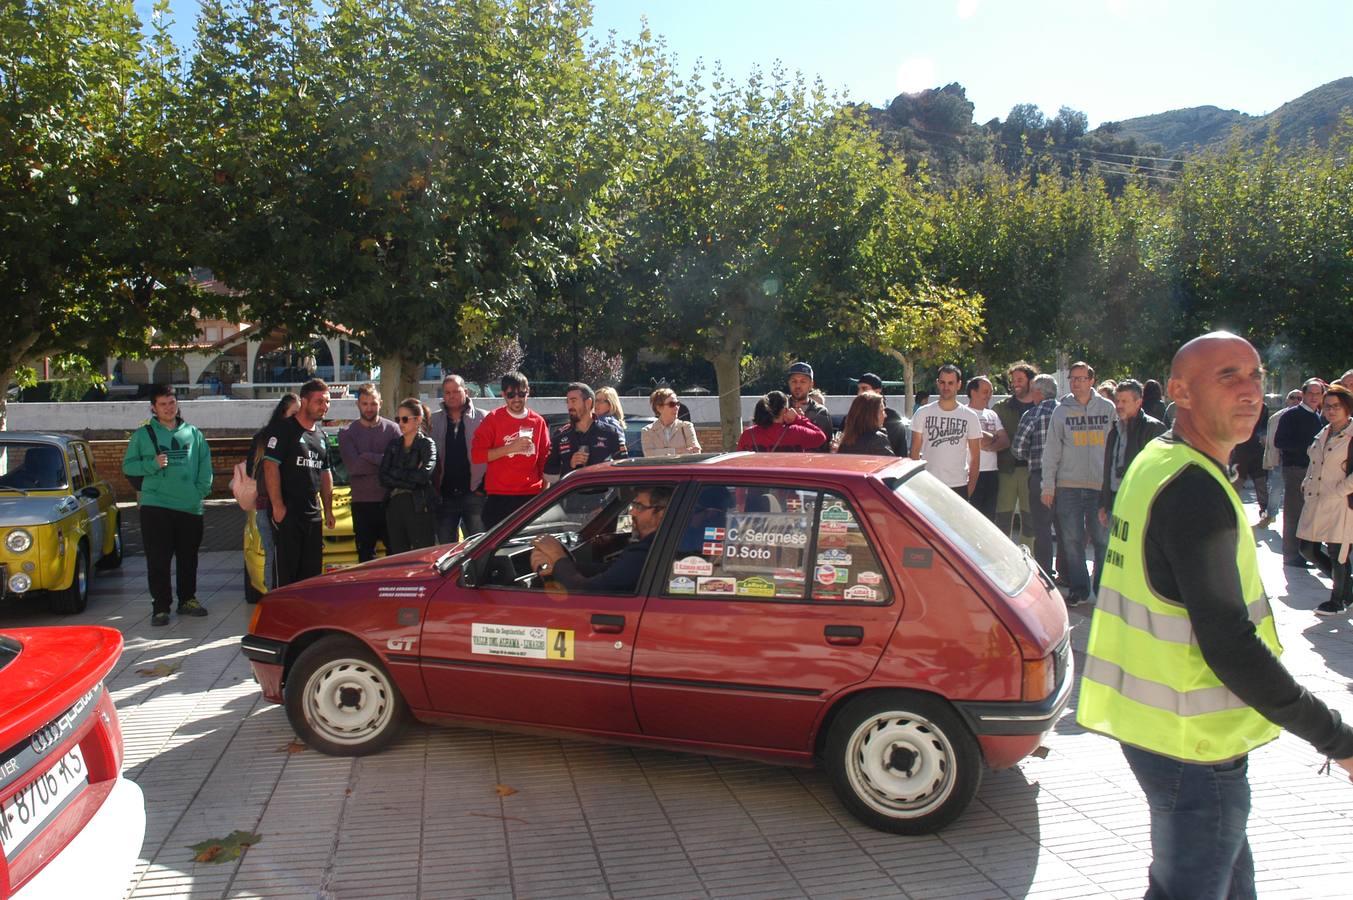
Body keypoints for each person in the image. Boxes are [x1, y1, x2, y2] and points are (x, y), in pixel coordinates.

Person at [1077, 331, 1353, 900]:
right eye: (1228, 376)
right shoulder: (1193, 488)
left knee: (1226, 882)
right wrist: (1336, 738)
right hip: (1195, 747)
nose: (1251, 390)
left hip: (1160, 733)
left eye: (1255, 375)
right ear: (1179, 391)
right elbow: (1230, 646)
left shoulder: (1158, 458)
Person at [121, 384, 213, 626]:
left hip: (190, 506)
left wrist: (199, 492)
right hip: (156, 505)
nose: (169, 408)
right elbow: (128, 467)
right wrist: (151, 464)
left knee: (188, 557)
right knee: (158, 559)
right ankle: (160, 607)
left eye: (172, 403)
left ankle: (187, 600)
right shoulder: (143, 435)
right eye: (163, 404)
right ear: (154, 408)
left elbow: (205, 466)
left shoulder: (194, 433)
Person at [1041, 361, 1114, 606]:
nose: (1077, 383)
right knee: (1071, 540)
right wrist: (1048, 485)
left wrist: (1115, 484)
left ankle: (1102, 589)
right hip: (1068, 485)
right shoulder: (1061, 411)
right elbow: (1051, 450)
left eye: (1082, 378)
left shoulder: (1107, 408)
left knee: (1103, 540)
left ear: (1092, 380)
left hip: (1100, 487)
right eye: (1073, 378)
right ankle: (1079, 588)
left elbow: (1116, 447)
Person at [262, 378, 336, 587]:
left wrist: (327, 510)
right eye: (319, 401)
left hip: (312, 515)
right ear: (304, 401)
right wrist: (277, 506)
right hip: (288, 513)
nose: (325, 407)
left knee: (311, 575)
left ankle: (305, 617)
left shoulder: (321, 436)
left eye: (328, 402)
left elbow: (325, 474)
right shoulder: (283, 430)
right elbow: (270, 466)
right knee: (286, 574)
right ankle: (283, 616)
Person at [529, 486, 671, 593]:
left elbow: (584, 592)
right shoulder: (661, 545)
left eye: (639, 506)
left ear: (661, 513)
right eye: (633, 505)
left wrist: (557, 555)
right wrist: (558, 566)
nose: (632, 512)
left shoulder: (646, 551)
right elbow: (609, 570)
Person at [1297, 384, 1353, 615]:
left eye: (1336, 406)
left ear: (1347, 408)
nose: (1331, 410)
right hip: (1316, 500)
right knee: (1306, 548)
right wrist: (1306, 482)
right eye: (1327, 406)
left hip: (1341, 503)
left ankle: (1337, 600)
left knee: (1337, 553)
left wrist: (1340, 490)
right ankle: (1348, 590)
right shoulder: (1323, 432)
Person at [470, 371, 550, 529]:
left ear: (528, 392)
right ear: (503, 395)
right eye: (511, 394)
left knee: (527, 548)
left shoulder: (538, 421)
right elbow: (477, 455)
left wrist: (544, 491)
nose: (517, 399)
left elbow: (544, 458)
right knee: (497, 550)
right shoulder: (493, 419)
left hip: (530, 495)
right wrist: (510, 448)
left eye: (521, 393)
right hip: (500, 495)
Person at [337, 384, 399, 562]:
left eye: (373, 403)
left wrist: (366, 456)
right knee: (365, 556)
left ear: (380, 403)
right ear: (358, 404)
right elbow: (354, 468)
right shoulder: (347, 433)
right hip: (362, 503)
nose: (369, 408)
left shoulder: (393, 430)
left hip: (390, 501)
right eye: (365, 403)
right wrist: (383, 460)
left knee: (395, 555)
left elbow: (396, 464)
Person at [246, 393, 298, 593]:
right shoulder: (272, 438)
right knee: (275, 556)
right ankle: (275, 601)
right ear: (283, 413)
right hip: (271, 506)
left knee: (275, 556)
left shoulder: (263, 437)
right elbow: (256, 470)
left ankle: (276, 600)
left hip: (274, 505)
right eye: (294, 413)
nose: (298, 417)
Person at [1098, 379, 1166, 527]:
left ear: (1138, 402)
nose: (1119, 405)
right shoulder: (1115, 430)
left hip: (1140, 503)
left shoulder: (1153, 429)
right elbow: (1108, 468)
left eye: (1124, 401)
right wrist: (1104, 502)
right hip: (1116, 500)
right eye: (1117, 401)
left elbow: (1159, 471)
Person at [1274, 378, 1327, 566]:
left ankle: (1307, 553)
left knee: (1311, 514)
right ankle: (1291, 554)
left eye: (1317, 393)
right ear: (1303, 395)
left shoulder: (1318, 416)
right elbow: (1279, 442)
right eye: (1310, 393)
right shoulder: (1291, 415)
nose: (1314, 397)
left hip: (1314, 472)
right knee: (1294, 513)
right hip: (1296, 469)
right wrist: (1308, 448)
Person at [1012, 374, 1060, 579]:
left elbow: (1018, 448)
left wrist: (1031, 455)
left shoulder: (1032, 414)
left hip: (1039, 475)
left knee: (1042, 528)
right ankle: (1067, 573)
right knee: (1065, 527)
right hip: (1066, 476)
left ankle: (1045, 571)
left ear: (1039, 392)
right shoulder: (1065, 411)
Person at [429, 374, 486, 543]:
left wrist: (483, 487)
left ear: (466, 392)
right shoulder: (434, 421)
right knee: (445, 551)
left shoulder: (484, 418)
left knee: (479, 548)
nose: (451, 396)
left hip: (475, 494)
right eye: (447, 392)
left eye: (455, 391)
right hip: (444, 497)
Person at [909, 365, 981, 499]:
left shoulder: (970, 416)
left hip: (958, 485)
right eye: (942, 382)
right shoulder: (923, 413)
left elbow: (975, 458)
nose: (946, 387)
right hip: (928, 484)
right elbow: (914, 453)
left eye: (950, 383)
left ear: (959, 385)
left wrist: (969, 490)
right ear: (937, 383)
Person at [379, 398, 438, 553]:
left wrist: (396, 474)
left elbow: (424, 476)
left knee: (422, 554)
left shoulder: (427, 444)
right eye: (398, 419)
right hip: (394, 504)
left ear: (418, 420)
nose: (400, 423)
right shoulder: (394, 445)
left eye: (405, 419)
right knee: (398, 555)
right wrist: (411, 479)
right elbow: (383, 476)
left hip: (418, 505)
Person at [993, 362, 1039, 549]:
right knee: (1003, 518)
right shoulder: (1001, 408)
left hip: (1032, 471)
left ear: (1031, 381)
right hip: (1006, 470)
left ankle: (1029, 558)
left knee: (1030, 520)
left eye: (1020, 379)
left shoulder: (1041, 407)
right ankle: (1002, 556)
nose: (1015, 384)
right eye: (1013, 380)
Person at [544, 382, 627, 483]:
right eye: (568, 402)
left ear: (588, 403)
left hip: (602, 496)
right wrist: (569, 466)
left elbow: (624, 470)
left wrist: (603, 469)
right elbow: (549, 475)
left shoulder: (610, 432)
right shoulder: (560, 435)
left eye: (573, 401)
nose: (569, 406)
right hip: (571, 496)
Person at [1260, 389, 1305, 528]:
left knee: (1300, 492)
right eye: (1293, 397)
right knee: (1276, 489)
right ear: (1287, 400)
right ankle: (1271, 515)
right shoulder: (1276, 418)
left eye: (1299, 398)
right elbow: (1270, 441)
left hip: (1301, 461)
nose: (1296, 400)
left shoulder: (1307, 416)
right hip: (1281, 460)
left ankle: (1302, 521)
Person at [965, 376, 1006, 520]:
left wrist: (989, 444)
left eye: (990, 392)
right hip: (972, 473)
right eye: (985, 391)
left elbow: (1005, 440)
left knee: (989, 518)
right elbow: (980, 439)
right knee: (971, 517)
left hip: (992, 473)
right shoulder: (964, 414)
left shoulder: (992, 414)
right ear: (973, 392)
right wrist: (993, 438)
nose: (989, 395)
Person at [1230, 391, 1271, 530]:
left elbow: (1263, 428)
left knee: (1261, 484)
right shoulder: (1236, 407)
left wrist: (1264, 440)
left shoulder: (1263, 407)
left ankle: (1264, 512)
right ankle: (1230, 513)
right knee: (1236, 483)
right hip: (1240, 451)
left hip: (1257, 451)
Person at [736, 390, 827, 452]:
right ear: (784, 410)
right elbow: (821, 437)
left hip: (758, 479)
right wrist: (798, 418)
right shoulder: (796, 432)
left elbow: (738, 461)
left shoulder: (748, 435)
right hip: (787, 479)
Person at [856, 373, 910, 455]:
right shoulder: (852, 417)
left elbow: (899, 451)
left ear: (877, 391)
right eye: (858, 389)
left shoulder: (893, 418)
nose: (859, 393)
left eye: (864, 388)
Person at [785, 362, 832, 450]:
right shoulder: (780, 408)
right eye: (794, 381)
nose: (798, 385)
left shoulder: (820, 412)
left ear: (811, 384)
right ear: (789, 383)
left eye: (803, 381)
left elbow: (825, 446)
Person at [641, 387, 700, 456]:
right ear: (659, 408)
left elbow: (696, 452)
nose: (676, 407)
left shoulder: (686, 426)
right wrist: (677, 451)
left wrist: (660, 452)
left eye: (678, 403)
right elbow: (649, 454)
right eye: (672, 404)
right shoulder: (647, 430)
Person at [836, 391, 893, 455]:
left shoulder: (846, 441)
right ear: (871, 415)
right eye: (882, 411)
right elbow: (891, 464)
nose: (885, 415)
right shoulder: (877, 440)